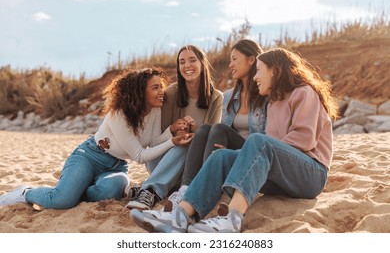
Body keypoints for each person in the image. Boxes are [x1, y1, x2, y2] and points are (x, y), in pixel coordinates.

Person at [130, 47, 339, 233]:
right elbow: (269, 149)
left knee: (258, 142)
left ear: (274, 71)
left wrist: (249, 154)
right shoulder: (274, 101)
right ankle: (180, 216)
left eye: (259, 71)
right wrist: (242, 156)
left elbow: (303, 140)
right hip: (281, 176)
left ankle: (231, 219)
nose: (255, 77)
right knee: (221, 156)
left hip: (310, 174)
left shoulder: (304, 93)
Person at [0, 67, 192, 209]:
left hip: (117, 165)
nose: (162, 92)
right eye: (156, 88)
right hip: (90, 156)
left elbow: (151, 142)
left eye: (162, 87)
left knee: (112, 190)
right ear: (141, 92)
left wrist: (171, 132)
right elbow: (140, 156)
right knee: (62, 200)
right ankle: (26, 192)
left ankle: (76, 189)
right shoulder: (120, 113)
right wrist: (172, 142)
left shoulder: (155, 110)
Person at [163, 39, 267, 212]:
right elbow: (225, 131)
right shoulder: (229, 97)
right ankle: (185, 189)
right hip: (231, 152)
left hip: (251, 153)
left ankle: (202, 191)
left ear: (251, 59)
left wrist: (231, 151)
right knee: (204, 129)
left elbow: (266, 139)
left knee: (216, 128)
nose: (230, 64)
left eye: (235, 59)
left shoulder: (266, 95)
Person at [125, 45, 223, 211]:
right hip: (161, 160)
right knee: (182, 143)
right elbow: (156, 141)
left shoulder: (216, 98)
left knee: (189, 143)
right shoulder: (171, 93)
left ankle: (149, 188)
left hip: (192, 168)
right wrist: (173, 131)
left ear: (202, 64)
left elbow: (211, 140)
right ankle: (151, 189)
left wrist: (195, 131)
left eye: (192, 60)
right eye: (182, 62)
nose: (187, 66)